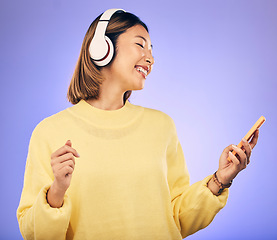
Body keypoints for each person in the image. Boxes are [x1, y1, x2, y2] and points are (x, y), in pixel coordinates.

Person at [17, 8, 259, 240]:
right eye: (140, 44)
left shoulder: (162, 126)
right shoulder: (49, 132)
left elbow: (177, 217)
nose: (150, 58)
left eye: (152, 50)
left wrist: (220, 178)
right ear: (102, 48)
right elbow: (34, 234)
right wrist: (56, 191)